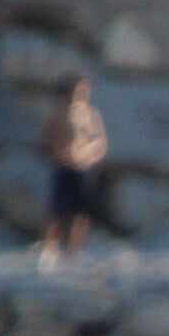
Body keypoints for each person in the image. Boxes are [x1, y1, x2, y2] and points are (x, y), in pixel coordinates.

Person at [36, 77, 108, 269]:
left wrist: (88, 155)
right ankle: (50, 247)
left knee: (80, 211)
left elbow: (98, 141)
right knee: (58, 209)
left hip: (82, 166)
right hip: (62, 165)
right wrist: (58, 152)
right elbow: (46, 140)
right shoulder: (57, 113)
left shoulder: (89, 114)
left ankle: (73, 249)